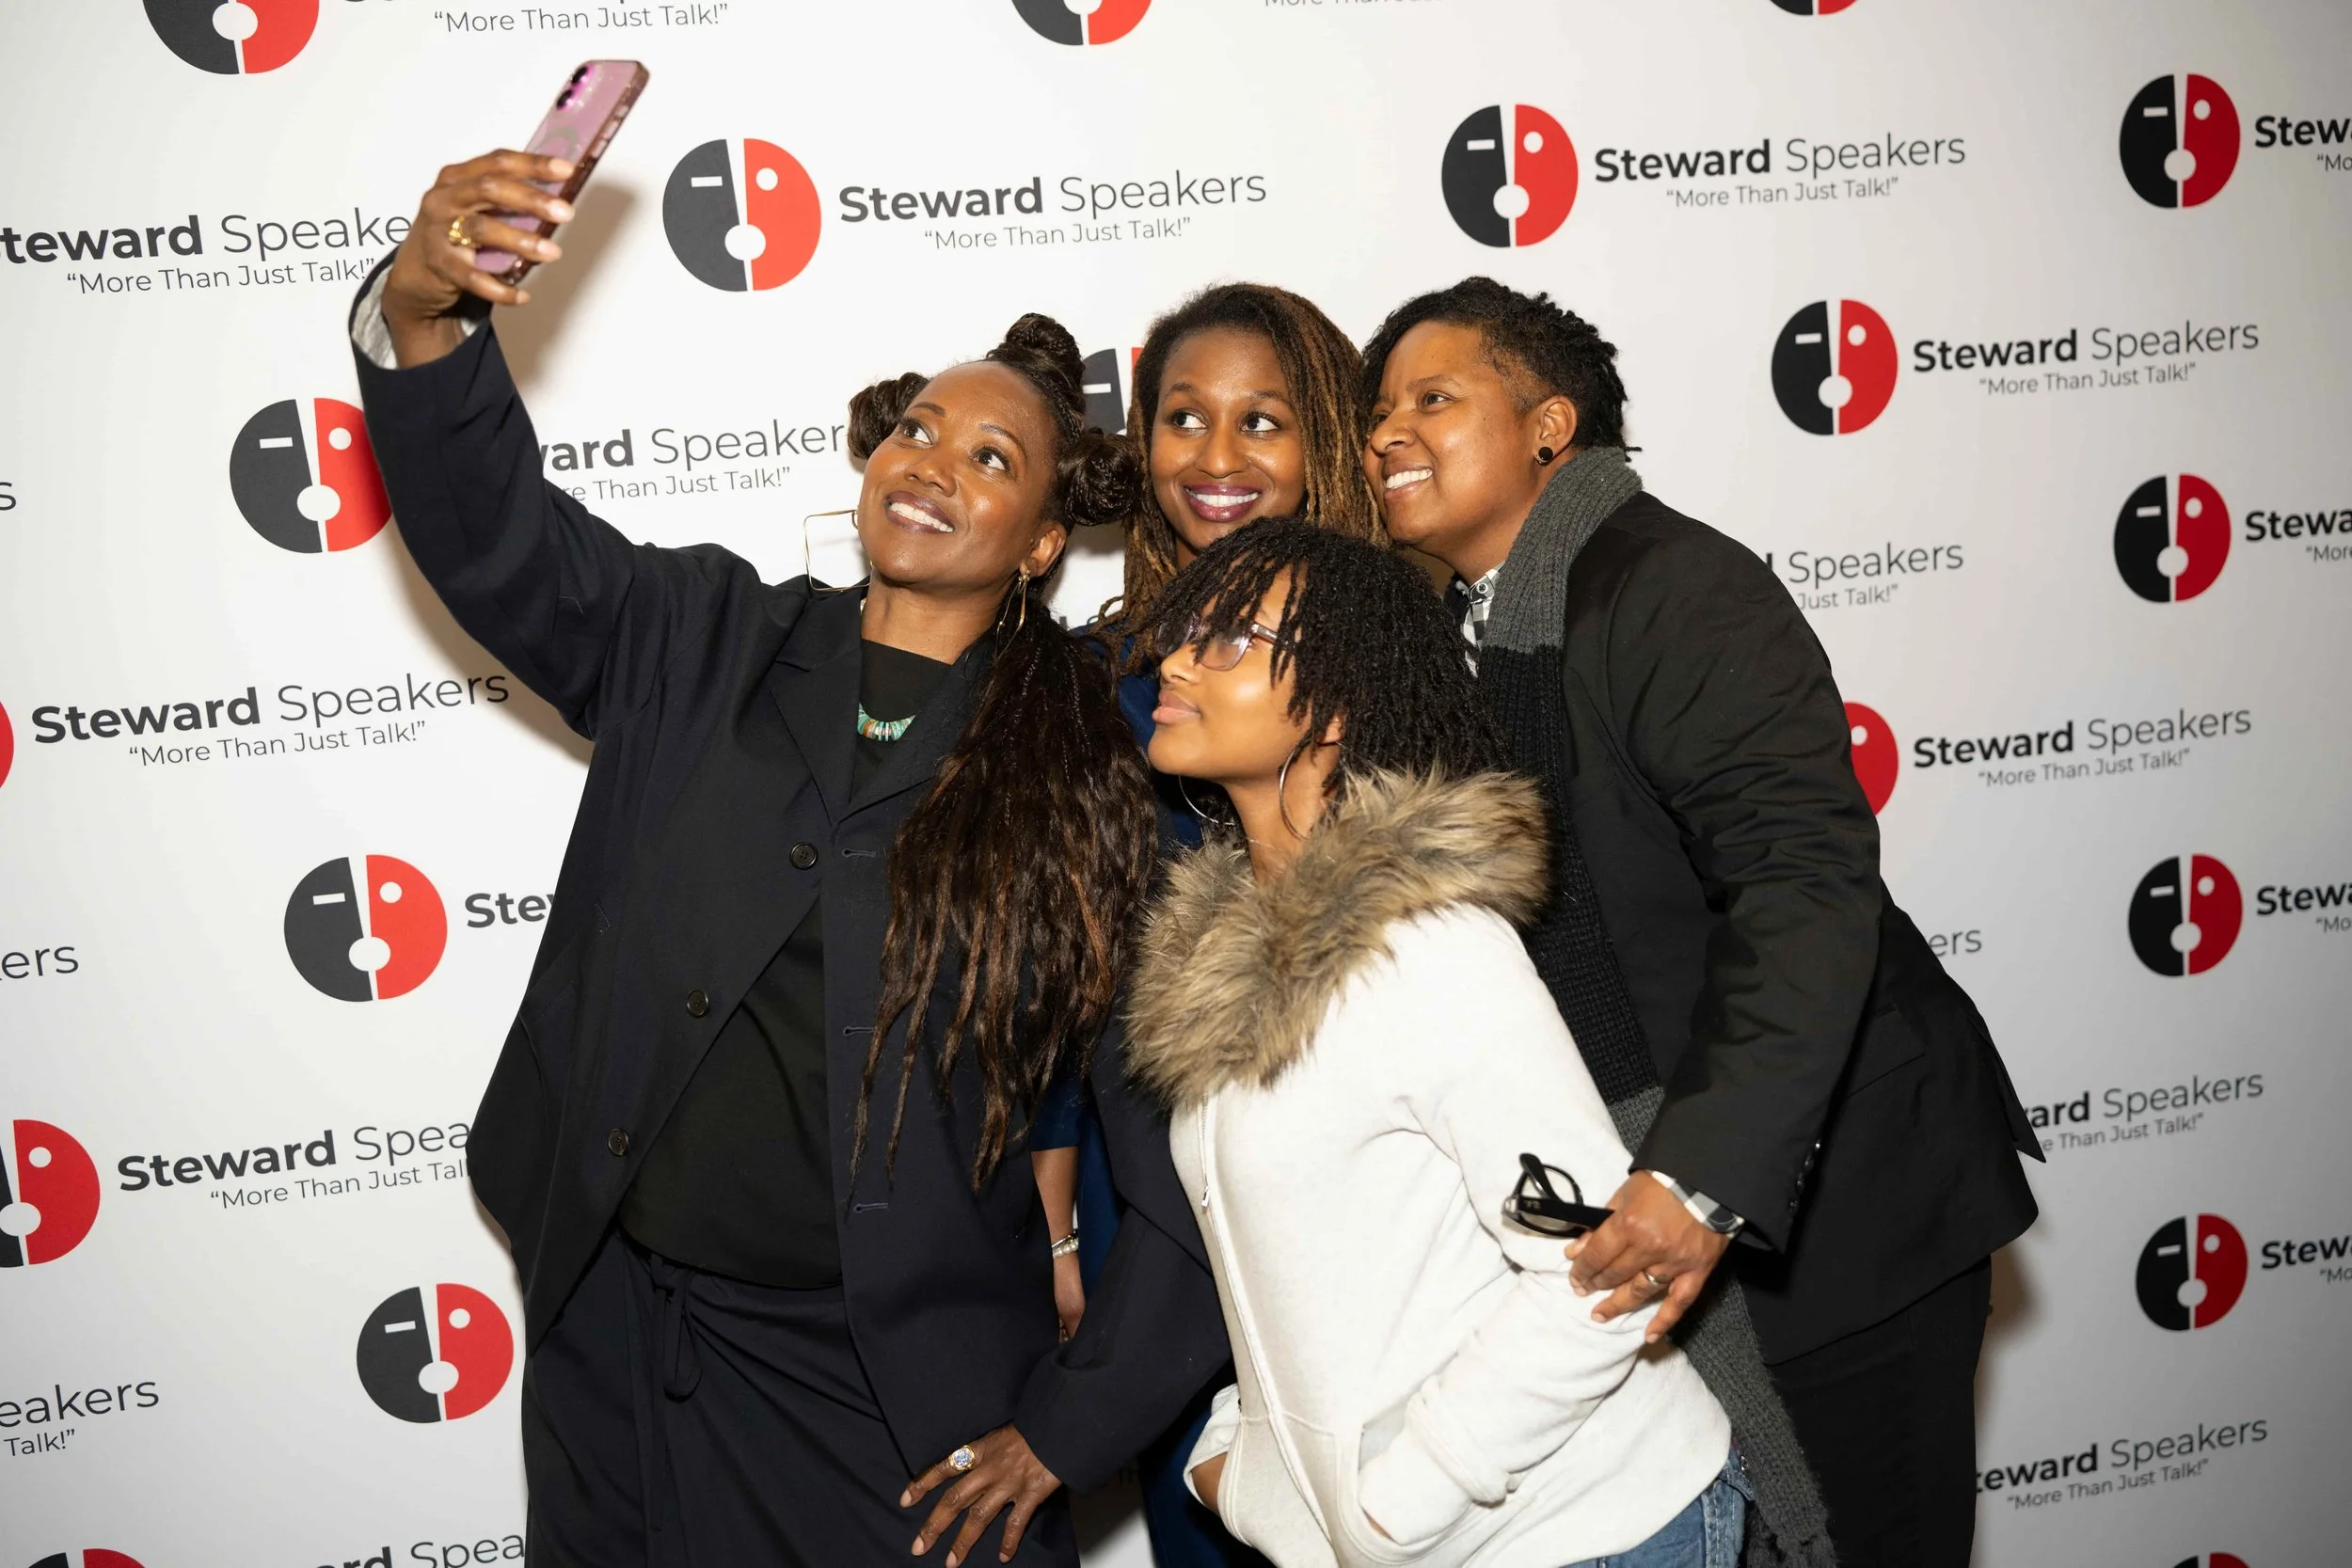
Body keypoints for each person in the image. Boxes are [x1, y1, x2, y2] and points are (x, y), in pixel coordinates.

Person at [349, 150, 1226, 1568]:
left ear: (1046, 540)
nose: (934, 462)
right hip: (625, 1339)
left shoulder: (1089, 783)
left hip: (888, 1398)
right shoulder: (699, 634)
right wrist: (428, 316)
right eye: (919, 429)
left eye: (992, 457)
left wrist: (1076, 1423)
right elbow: (500, 538)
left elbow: (1186, 1146)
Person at [1360, 277, 2042, 1568]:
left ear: (1552, 424)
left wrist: (1696, 1175)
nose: (1388, 429)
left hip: (1838, 1212)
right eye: (1380, 407)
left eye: (1433, 398)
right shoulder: (1471, 639)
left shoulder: (1670, 584)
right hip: (1659, 1216)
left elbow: (1803, 880)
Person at [1123, 520, 1745, 1568]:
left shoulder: (1430, 950)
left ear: (1333, 703)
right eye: (1184, 632)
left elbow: (1600, 1266)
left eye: (1228, 638)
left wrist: (1395, 1503)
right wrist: (1243, 1462)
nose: (1175, 661)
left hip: (1588, 1534)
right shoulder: (1229, 967)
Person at [1057, 283, 1385, 1568]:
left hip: (1365, 1191)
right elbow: (1057, 963)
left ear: (1326, 448)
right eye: (1184, 417)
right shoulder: (1093, 682)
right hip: (1163, 1218)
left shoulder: (1409, 661)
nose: (1219, 455)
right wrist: (1062, 1205)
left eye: (1265, 420)